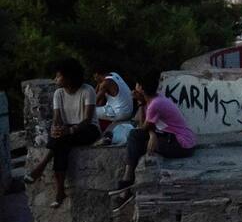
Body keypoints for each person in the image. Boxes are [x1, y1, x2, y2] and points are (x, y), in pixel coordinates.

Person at [110, 72, 196, 207]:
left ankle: (127, 182)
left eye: (137, 85)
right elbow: (145, 128)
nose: (135, 87)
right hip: (173, 138)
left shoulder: (155, 104)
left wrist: (139, 104)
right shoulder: (153, 100)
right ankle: (127, 183)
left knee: (137, 140)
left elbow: (142, 127)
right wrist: (152, 134)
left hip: (181, 144)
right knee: (136, 139)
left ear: (142, 88)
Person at [25, 58, 100, 208]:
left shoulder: (87, 90)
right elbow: (57, 118)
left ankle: (42, 167)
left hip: (88, 129)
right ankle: (60, 191)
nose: (55, 79)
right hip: (67, 131)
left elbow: (87, 119)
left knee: (62, 140)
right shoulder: (58, 93)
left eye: (59, 76)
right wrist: (55, 128)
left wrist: (70, 130)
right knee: (61, 145)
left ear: (69, 77)